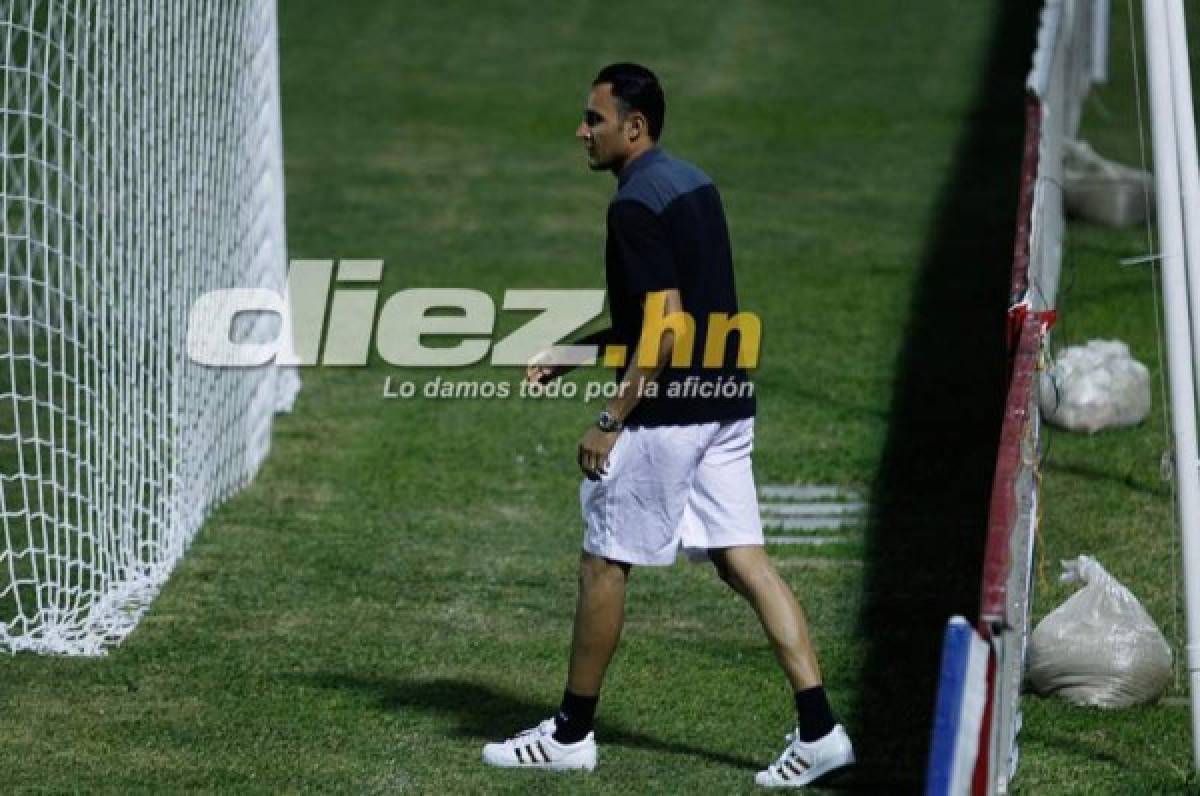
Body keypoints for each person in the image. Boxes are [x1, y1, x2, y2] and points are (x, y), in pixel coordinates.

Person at [482, 63, 855, 789]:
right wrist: (578, 349)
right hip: (725, 400)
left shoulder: (631, 209)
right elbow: (670, 312)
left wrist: (609, 419)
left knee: (603, 563)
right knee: (744, 561)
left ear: (634, 127)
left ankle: (570, 733)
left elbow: (665, 328)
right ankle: (821, 730)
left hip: (670, 416)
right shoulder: (692, 182)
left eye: (593, 119)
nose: (580, 131)